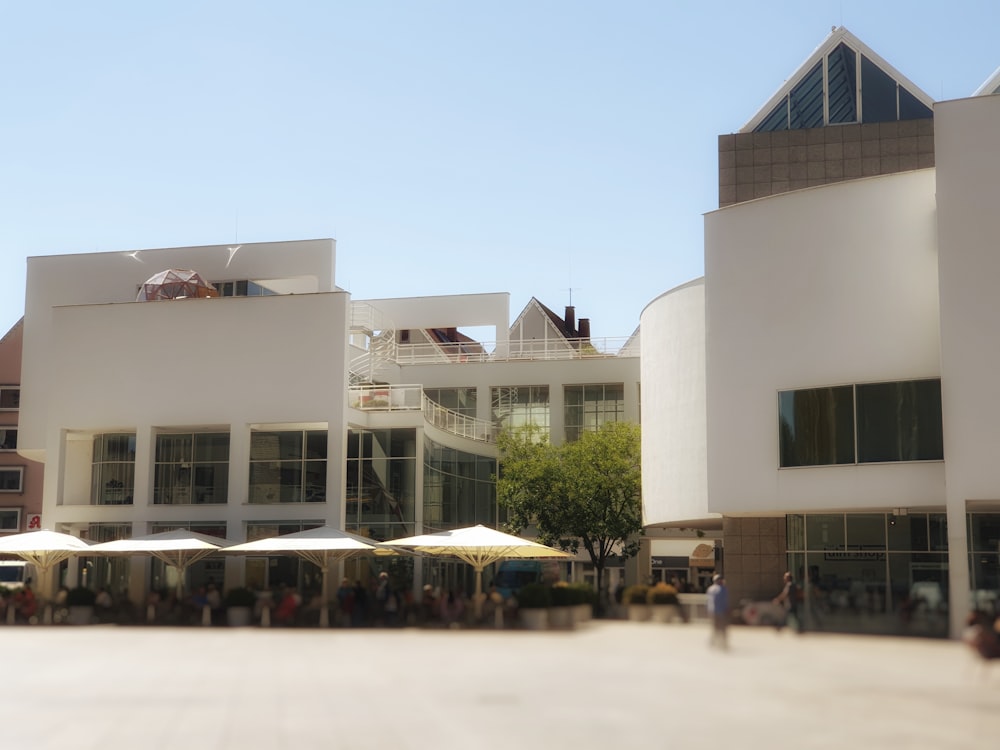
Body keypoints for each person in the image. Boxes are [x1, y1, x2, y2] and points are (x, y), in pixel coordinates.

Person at [706, 573, 730, 650]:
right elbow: (724, 601)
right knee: (723, 628)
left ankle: (713, 643)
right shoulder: (723, 589)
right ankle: (723, 643)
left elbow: (708, 601)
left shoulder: (710, 589)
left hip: (712, 611)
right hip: (721, 611)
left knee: (714, 628)